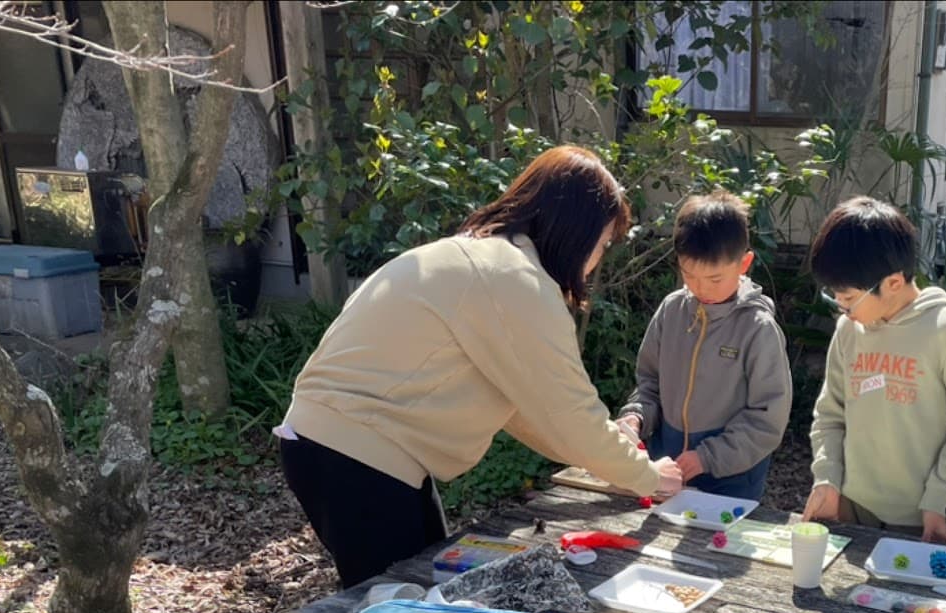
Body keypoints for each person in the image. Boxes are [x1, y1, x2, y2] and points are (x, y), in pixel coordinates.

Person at [277, 145, 683, 588]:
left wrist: (613, 460)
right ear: (577, 231)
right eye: (603, 243)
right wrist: (645, 475)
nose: (598, 259)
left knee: (428, 587)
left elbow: (531, 411)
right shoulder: (517, 281)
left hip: (344, 445)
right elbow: (569, 415)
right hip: (358, 455)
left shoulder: (483, 258)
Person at [799, 197, 946, 545]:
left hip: (916, 518)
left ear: (894, 283)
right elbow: (829, 415)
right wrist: (826, 479)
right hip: (849, 508)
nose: (842, 308)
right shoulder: (848, 330)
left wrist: (937, 498)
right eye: (835, 296)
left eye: (849, 297)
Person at [617, 191, 791, 502]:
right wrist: (636, 417)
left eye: (715, 278)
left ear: (744, 263)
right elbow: (649, 383)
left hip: (731, 481)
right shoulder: (672, 310)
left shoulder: (758, 329)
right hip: (666, 469)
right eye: (688, 275)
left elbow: (767, 419)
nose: (700, 288)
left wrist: (707, 457)